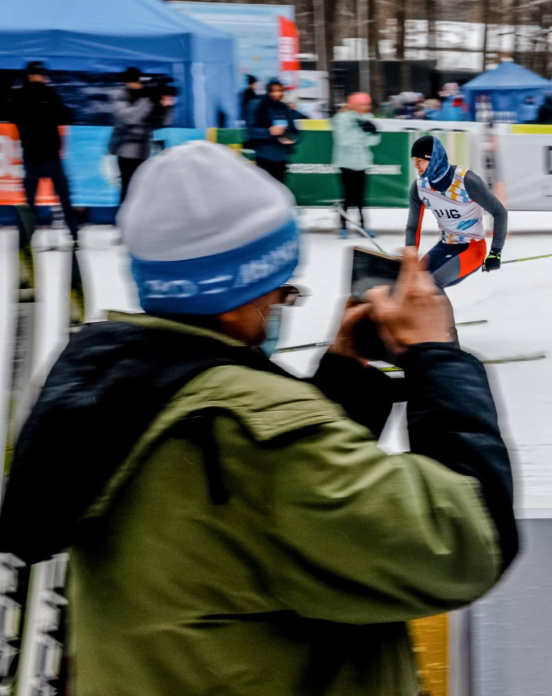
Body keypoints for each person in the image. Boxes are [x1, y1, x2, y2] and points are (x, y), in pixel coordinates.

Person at [0, 140, 518, 696]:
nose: (280, 310)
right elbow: (462, 539)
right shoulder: (245, 432)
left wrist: (347, 377)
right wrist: (436, 356)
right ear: (232, 297)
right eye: (279, 295)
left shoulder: (123, 395)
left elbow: (257, 527)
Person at [406, 135, 509, 288]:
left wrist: (496, 251)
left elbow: (500, 212)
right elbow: (413, 227)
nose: (416, 165)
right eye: (414, 160)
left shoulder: (466, 181)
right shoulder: (419, 187)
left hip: (472, 248)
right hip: (445, 245)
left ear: (433, 159)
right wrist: (410, 253)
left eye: (420, 160)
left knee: (432, 285)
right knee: (413, 283)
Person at [1, 61, 81, 241]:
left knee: (31, 198)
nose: (42, 76)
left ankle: (28, 235)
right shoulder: (48, 93)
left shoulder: (21, 95)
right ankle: (73, 232)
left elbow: (10, 114)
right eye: (40, 73)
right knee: (62, 196)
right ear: (34, 75)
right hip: (48, 154)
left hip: (34, 154)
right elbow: (65, 116)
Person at [109, 67, 175, 204]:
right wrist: (148, 101)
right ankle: (124, 221)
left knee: (142, 188)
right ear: (129, 81)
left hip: (143, 150)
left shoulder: (143, 96)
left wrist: (166, 106)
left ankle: (138, 220)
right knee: (128, 187)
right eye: (137, 81)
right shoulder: (119, 95)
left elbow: (161, 122)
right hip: (125, 149)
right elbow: (129, 118)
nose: (140, 85)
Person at [331, 92, 382, 238]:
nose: (366, 107)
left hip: (362, 162)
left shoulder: (368, 118)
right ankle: (343, 225)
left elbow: (374, 141)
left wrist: (372, 132)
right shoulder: (341, 119)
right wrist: (361, 132)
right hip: (345, 162)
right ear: (353, 105)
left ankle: (363, 225)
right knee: (347, 195)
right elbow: (343, 141)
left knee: (361, 196)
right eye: (362, 104)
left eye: (367, 104)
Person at [245, 78, 303, 183]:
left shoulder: (285, 109)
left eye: (280, 91)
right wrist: (269, 132)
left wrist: (290, 139)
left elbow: (296, 132)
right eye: (273, 91)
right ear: (268, 91)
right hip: (264, 158)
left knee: (280, 191)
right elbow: (250, 131)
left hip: (281, 159)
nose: (277, 94)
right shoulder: (257, 106)